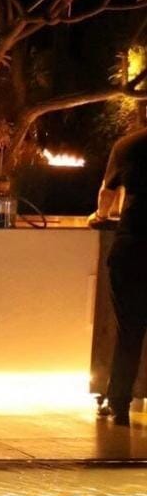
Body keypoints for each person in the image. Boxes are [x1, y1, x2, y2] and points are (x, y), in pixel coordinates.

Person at [90, 122, 147, 426]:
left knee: (130, 331)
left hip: (133, 245)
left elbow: (107, 193)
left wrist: (100, 216)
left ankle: (119, 404)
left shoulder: (128, 145)